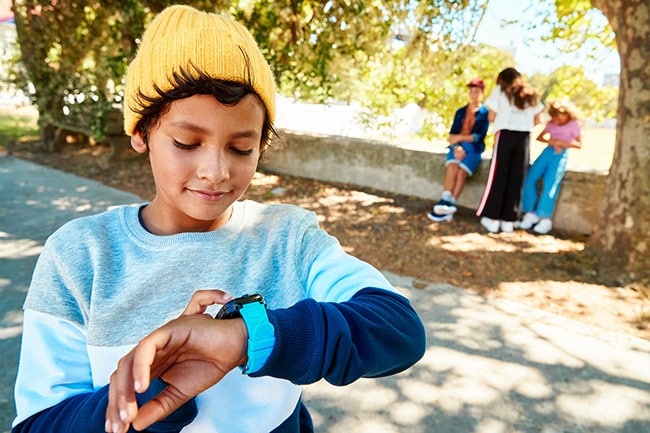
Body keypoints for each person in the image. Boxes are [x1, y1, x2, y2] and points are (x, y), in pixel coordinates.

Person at [11, 5, 426, 433]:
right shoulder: (80, 256)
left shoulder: (288, 239)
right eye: (187, 142)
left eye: (241, 148)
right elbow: (39, 423)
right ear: (140, 133)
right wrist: (146, 391)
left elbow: (398, 329)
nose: (216, 171)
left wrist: (247, 339)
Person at [475, 67, 544, 233]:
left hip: (505, 135)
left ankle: (492, 218)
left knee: (499, 176)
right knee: (517, 178)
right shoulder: (530, 93)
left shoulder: (500, 91)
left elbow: (491, 116)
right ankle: (508, 220)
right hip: (524, 138)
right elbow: (538, 119)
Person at [427, 77, 490, 222]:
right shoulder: (461, 112)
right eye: (471, 91)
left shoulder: (485, 113)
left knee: (462, 172)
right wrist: (456, 145)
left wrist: (459, 138)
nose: (473, 94)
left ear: (482, 93)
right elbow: (451, 135)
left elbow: (478, 137)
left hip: (474, 148)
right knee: (452, 165)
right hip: (458, 146)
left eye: (477, 92)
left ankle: (449, 204)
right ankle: (445, 200)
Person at [519, 99, 582, 234]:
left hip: (560, 155)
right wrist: (552, 141)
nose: (558, 122)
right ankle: (530, 212)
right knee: (530, 179)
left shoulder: (574, 125)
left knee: (550, 185)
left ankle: (544, 216)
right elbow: (540, 137)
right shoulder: (551, 123)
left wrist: (562, 143)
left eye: (560, 118)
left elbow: (579, 144)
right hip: (547, 152)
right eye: (555, 119)